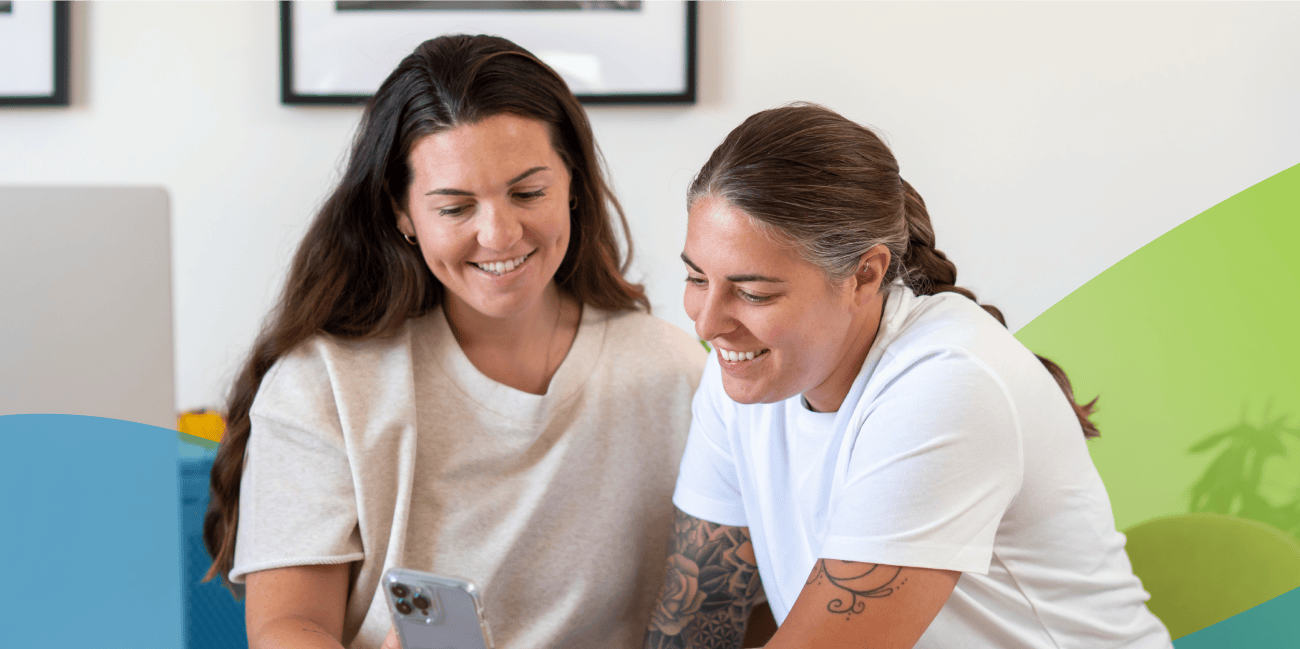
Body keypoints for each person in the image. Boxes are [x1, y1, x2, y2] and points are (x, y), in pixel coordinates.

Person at [202, 35, 706, 649]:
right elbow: (290, 627)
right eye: (455, 206)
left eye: (528, 193)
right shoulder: (325, 383)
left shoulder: (674, 373)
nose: (499, 233)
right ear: (402, 213)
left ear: (573, 183)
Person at [643, 103, 1174, 649]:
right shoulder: (747, 370)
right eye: (696, 277)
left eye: (754, 293)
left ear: (864, 275)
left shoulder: (947, 383)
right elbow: (700, 613)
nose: (708, 323)